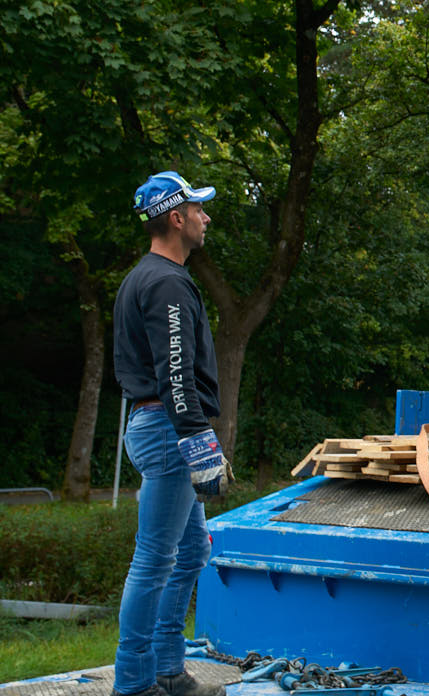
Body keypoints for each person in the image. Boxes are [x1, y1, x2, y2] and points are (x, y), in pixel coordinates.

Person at [112, 171, 233, 696]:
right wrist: (196, 438)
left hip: (159, 426)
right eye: (199, 209)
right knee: (155, 560)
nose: (207, 217)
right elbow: (175, 370)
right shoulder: (164, 281)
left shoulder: (148, 276)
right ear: (176, 217)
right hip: (168, 430)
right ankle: (135, 682)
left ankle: (167, 668)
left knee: (191, 555)